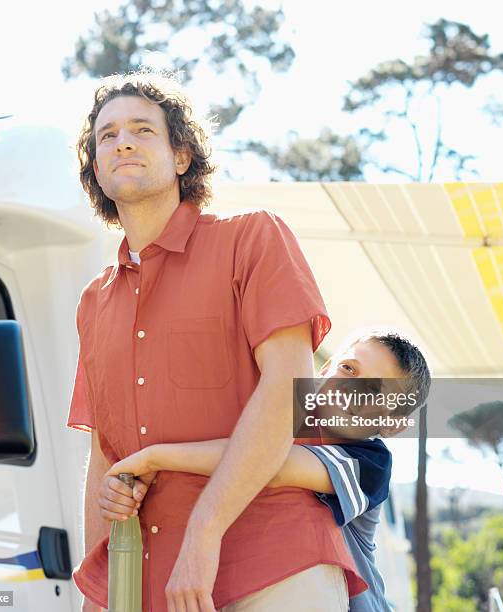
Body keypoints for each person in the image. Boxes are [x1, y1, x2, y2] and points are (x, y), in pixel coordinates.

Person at [66, 70, 366, 612]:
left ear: (182, 156)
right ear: (95, 167)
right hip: (150, 585)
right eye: (106, 136)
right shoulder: (93, 302)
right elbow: (102, 456)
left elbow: (287, 390)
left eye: (142, 129)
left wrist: (204, 533)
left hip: (274, 567)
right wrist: (102, 593)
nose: (122, 142)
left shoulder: (251, 239)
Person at [101, 331, 431, 611]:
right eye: (349, 368)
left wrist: (154, 458)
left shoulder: (369, 462)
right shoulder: (277, 420)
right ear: (325, 367)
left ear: (391, 426)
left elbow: (268, 465)